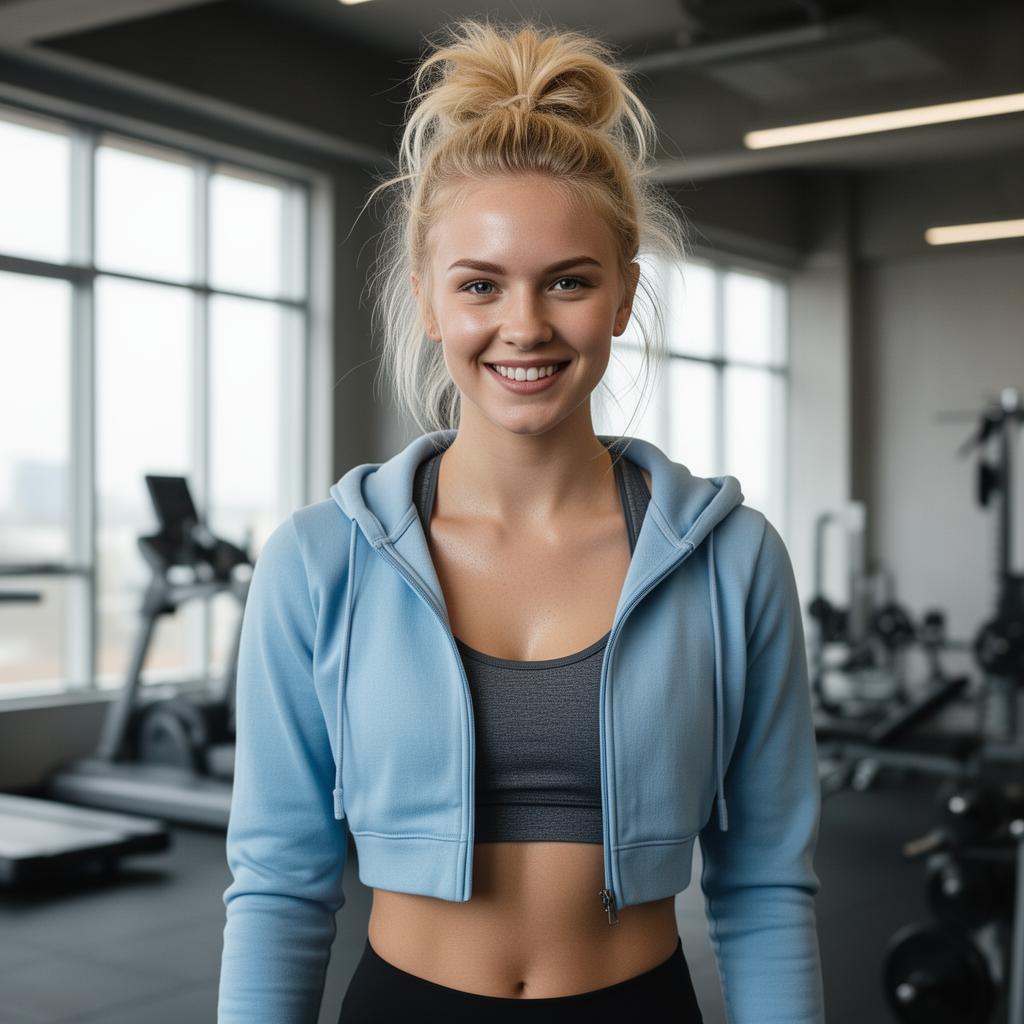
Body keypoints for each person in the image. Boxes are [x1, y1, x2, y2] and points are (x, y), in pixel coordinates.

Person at [217, 17, 825, 1024]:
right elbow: (279, 882)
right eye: (479, 284)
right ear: (426, 298)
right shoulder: (319, 563)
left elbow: (763, 880)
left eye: (569, 281)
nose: (525, 325)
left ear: (624, 292)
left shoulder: (732, 562)